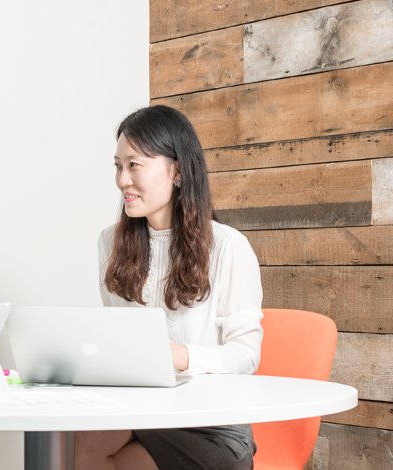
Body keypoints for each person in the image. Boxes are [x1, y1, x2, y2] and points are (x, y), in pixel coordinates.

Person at [77, 105, 264, 470]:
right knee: (77, 440)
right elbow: (118, 340)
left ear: (176, 171)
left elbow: (247, 356)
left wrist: (179, 355)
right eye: (118, 166)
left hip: (211, 426)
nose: (122, 180)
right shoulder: (109, 243)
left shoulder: (227, 246)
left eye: (134, 165)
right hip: (142, 414)